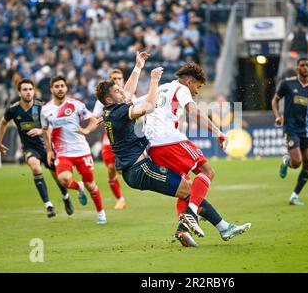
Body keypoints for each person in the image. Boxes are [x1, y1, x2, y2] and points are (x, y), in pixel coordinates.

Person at [96, 69, 250, 247]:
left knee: (187, 188)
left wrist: (138, 67)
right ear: (190, 82)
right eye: (198, 87)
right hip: (167, 141)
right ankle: (191, 215)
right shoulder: (180, 88)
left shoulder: (162, 89)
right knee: (207, 171)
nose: (197, 91)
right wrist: (217, 131)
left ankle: (207, 228)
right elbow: (193, 112)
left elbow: (129, 99)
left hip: (152, 148)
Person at [0, 79, 74, 218]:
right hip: (29, 148)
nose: (28, 92)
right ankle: (48, 205)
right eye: (25, 90)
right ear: (19, 92)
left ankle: (65, 196)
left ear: (34, 91)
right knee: (35, 167)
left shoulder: (42, 107)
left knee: (60, 179)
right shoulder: (13, 110)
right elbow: (3, 122)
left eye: (30, 89)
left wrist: (40, 130)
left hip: (47, 147)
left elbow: (53, 124)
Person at [41, 76, 106, 224]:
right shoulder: (46, 110)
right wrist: (49, 150)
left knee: (91, 185)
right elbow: (45, 130)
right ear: (51, 89)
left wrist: (87, 130)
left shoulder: (76, 105)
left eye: (62, 86)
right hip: (63, 153)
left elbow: (94, 120)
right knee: (63, 179)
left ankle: (101, 212)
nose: (59, 89)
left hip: (81, 151)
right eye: (56, 86)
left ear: (66, 88)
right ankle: (78, 187)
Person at [92, 51, 150, 210]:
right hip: (116, 139)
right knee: (113, 168)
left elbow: (128, 93)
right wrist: (155, 85)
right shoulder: (111, 103)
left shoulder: (121, 99)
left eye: (119, 80)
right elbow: (144, 104)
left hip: (130, 138)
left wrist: (138, 67)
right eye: (114, 80)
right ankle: (120, 197)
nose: (117, 83)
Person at [271, 58, 308, 206]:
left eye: (307, 65)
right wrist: (278, 116)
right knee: (297, 162)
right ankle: (287, 161)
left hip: (307, 130)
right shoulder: (287, 84)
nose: (305, 68)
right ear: (298, 68)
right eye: (302, 65)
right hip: (290, 128)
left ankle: (294, 196)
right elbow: (274, 100)